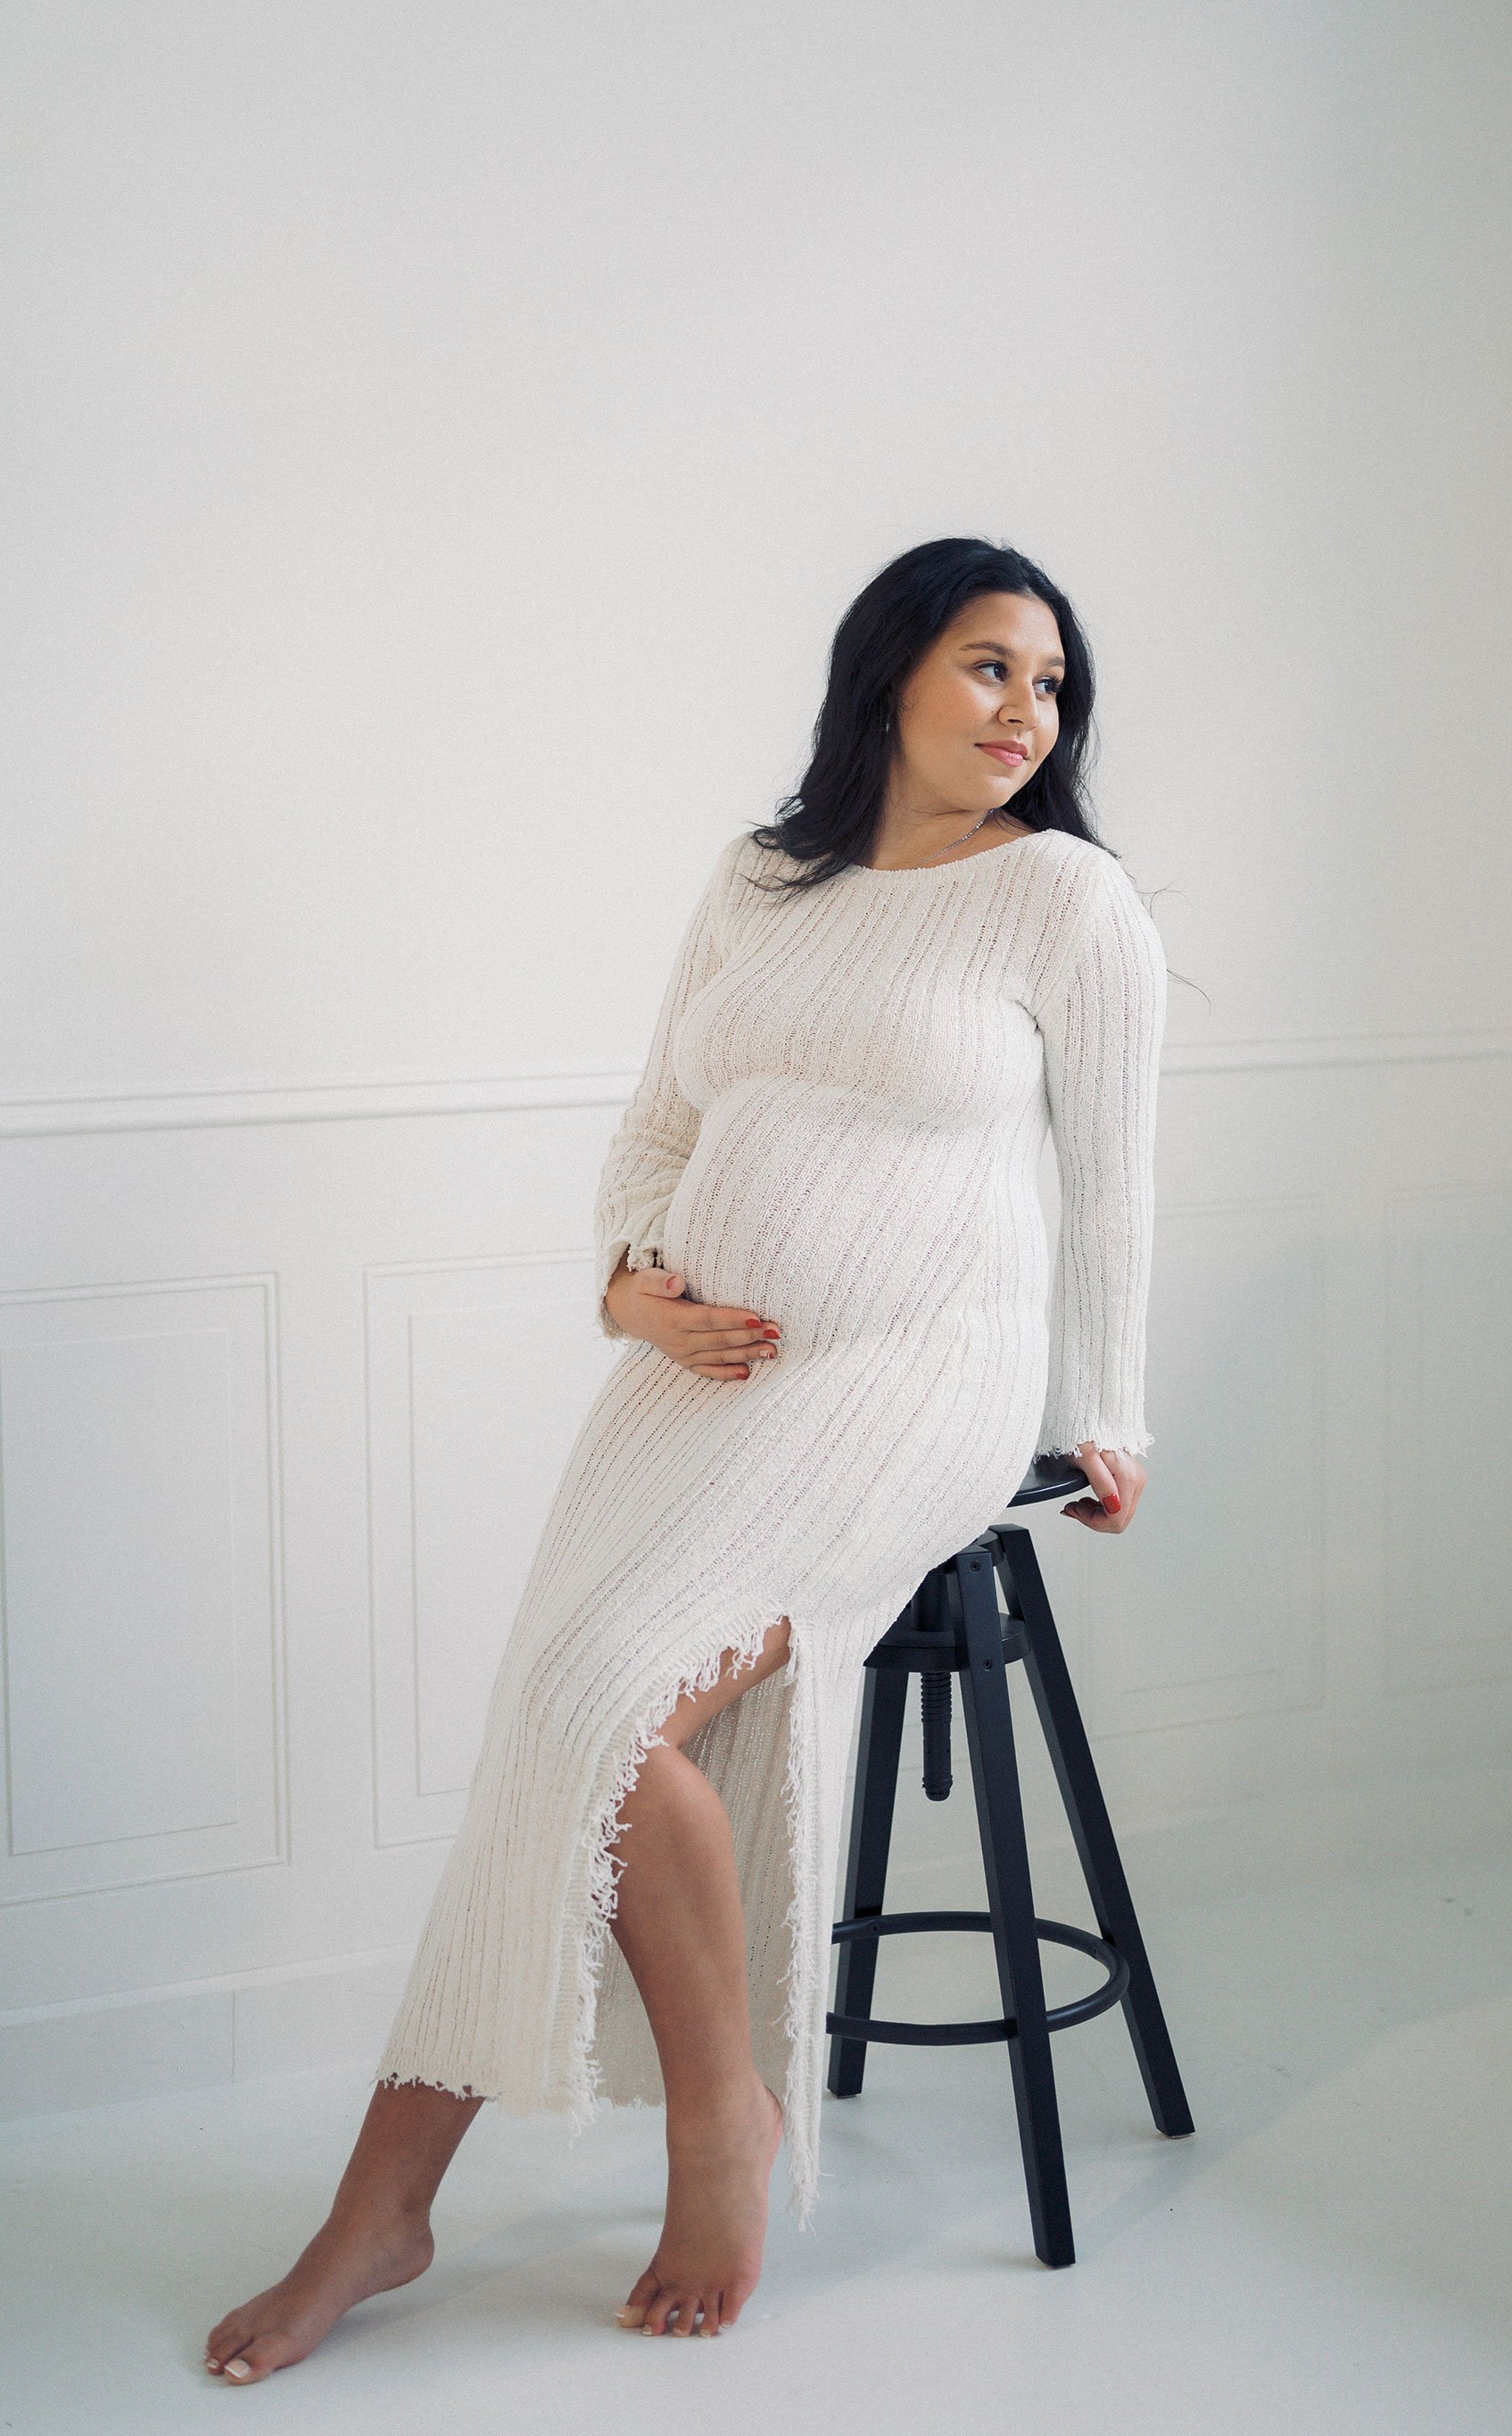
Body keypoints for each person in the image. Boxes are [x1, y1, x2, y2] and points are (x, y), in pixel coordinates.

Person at [202, 535, 1168, 2378]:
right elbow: (653, 1130)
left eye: (1048, 686)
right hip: (690, 1388)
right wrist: (630, 1289)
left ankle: (671, 2130)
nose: (1024, 714)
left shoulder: (1066, 902)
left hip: (912, 1381)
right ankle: (391, 2207)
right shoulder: (761, 879)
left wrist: (1104, 1413)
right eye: (987, 669)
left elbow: (1115, 1186)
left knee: (590, 1702)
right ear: (886, 674)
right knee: (561, 1727)